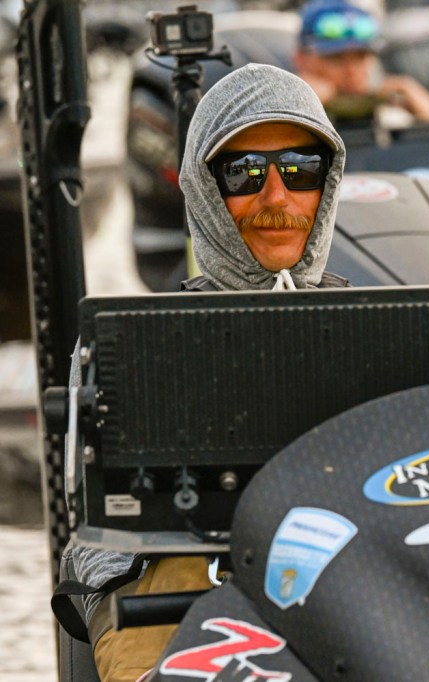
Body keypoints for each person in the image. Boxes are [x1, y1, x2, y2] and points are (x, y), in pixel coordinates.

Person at [56, 63, 348, 682]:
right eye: (244, 174)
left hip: (358, 567)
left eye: (301, 170)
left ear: (328, 182)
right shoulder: (125, 347)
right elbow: (98, 532)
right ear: (204, 188)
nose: (277, 197)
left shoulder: (392, 332)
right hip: (174, 575)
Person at [293, 0, 429, 127]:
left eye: (361, 57)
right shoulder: (286, 105)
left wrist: (409, 91)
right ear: (301, 59)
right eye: (336, 58)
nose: (351, 70)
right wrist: (303, 103)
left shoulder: (388, 107)